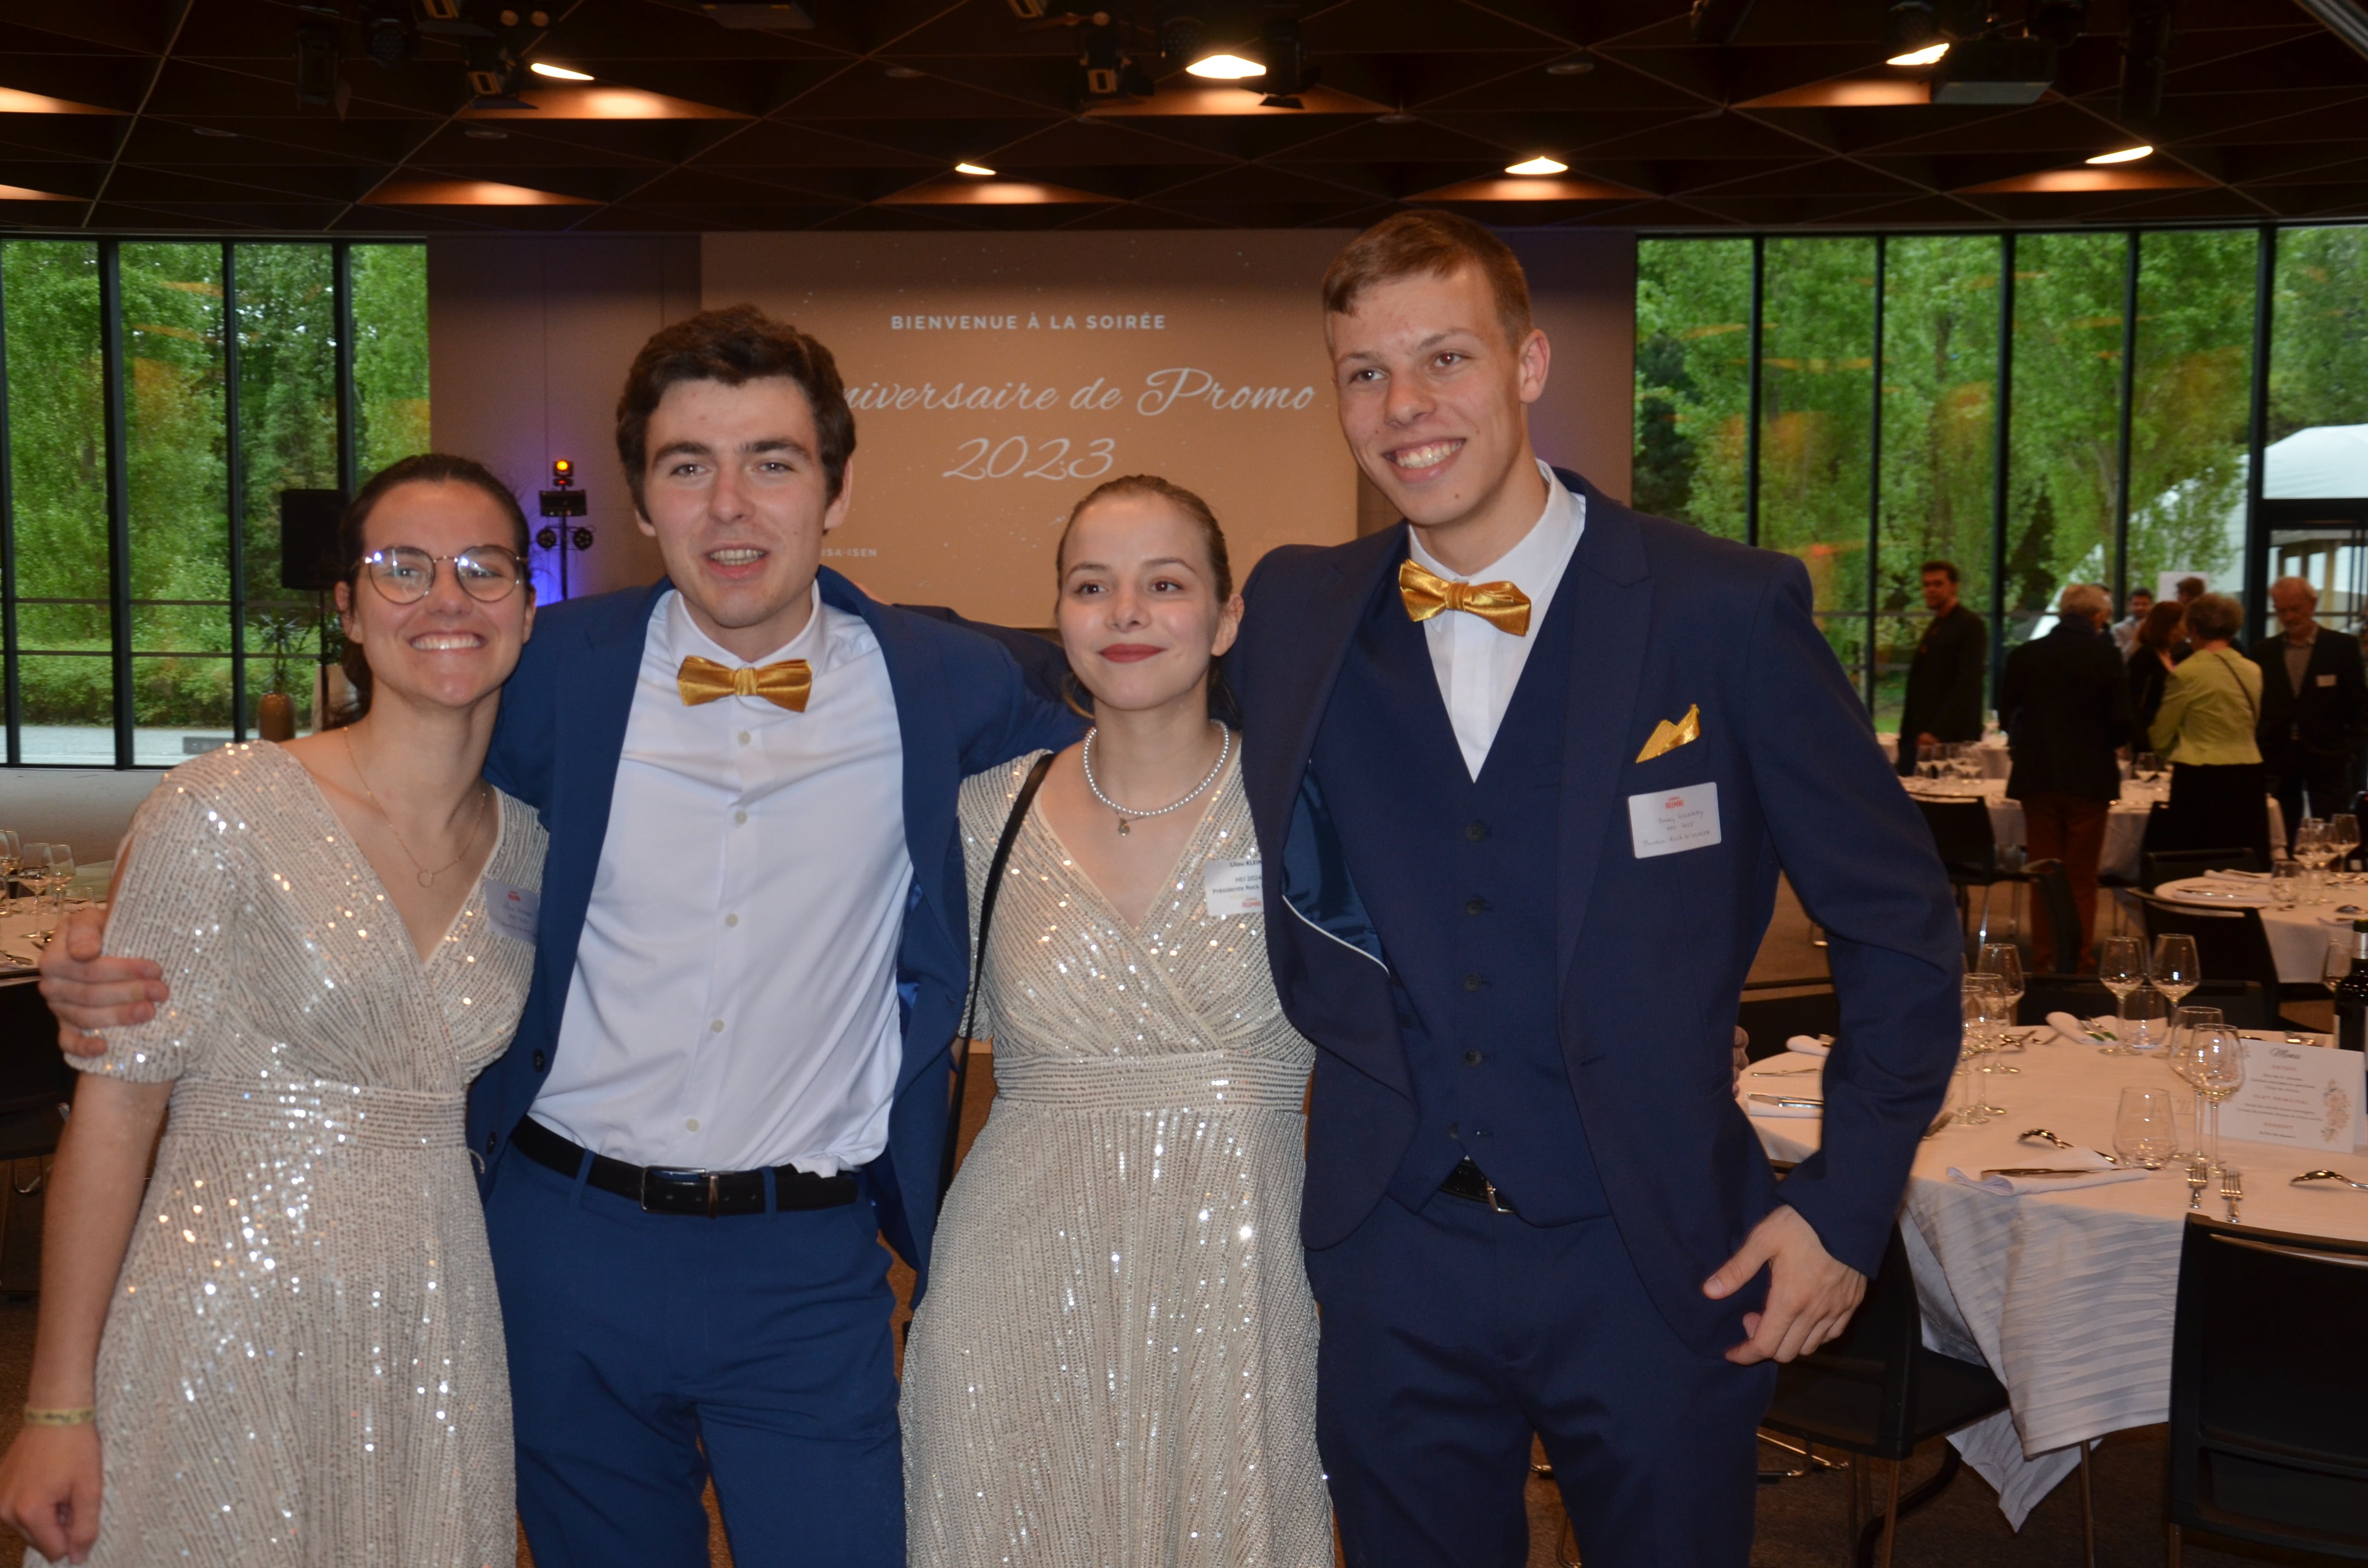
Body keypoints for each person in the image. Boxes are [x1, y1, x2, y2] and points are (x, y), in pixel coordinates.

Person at [39, 306, 1080, 1568]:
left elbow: (1142, 752)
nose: (730, 506)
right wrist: (120, 939)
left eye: (772, 462)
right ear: (641, 500)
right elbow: (371, 802)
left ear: (837, 490)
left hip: (804, 1263)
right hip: (558, 1245)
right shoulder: (543, 668)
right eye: (688, 466)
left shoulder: (947, 679)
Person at [1228, 211, 1962, 1566]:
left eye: (1444, 359)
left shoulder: (1720, 609)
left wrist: (1845, 1208)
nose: (1404, 407)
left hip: (1657, 1255)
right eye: (1365, 373)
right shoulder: (1296, 611)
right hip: (1392, 1257)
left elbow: (1901, 925)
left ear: (1527, 364)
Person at [0, 455, 548, 1565]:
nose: (446, 597)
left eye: (482, 568)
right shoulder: (224, 808)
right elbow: (114, 1115)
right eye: (403, 568)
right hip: (222, 1307)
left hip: (431, 1319)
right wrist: (57, 1405)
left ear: (527, 612)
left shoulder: (533, 848)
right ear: (347, 608)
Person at [903, 476, 1330, 1567]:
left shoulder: (1303, 807)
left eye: (1166, 584)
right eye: (1092, 586)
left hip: (1239, 1286)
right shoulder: (983, 811)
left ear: (1227, 619)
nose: (1127, 612)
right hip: (1014, 1284)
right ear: (1059, 615)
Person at [1997, 583, 2133, 972]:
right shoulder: (2106, 656)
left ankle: (2044, 959)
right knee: (2081, 877)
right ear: (2098, 617)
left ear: (2062, 612)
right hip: (2089, 780)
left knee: (2043, 873)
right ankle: (2078, 959)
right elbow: (2122, 723)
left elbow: (2006, 715)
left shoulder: (2027, 655)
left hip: (2038, 776)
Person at [2150, 591, 2269, 864]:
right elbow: (2253, 721)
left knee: (2197, 860)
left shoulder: (2187, 672)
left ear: (2194, 628)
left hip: (2199, 777)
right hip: (2248, 773)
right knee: (2240, 860)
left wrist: (2176, 748)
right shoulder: (2253, 670)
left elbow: (2161, 737)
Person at [2251, 574, 2368, 839]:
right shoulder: (2264, 652)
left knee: (2333, 830)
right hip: (2279, 756)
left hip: (2329, 755)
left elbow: (2360, 705)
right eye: (2282, 611)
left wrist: (2350, 750)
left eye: (2296, 609)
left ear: (2313, 604)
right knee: (2280, 830)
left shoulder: (2341, 647)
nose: (2289, 617)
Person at [1894, 559, 1987, 775]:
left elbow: (1968, 683)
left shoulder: (1969, 626)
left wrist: (1937, 731)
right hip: (1921, 732)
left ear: (1954, 587)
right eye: (1927, 585)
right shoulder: (1936, 627)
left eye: (1938, 584)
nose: (1931, 590)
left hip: (1946, 737)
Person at [2128, 599, 2185, 732]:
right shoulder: (2146, 654)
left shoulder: (2169, 653)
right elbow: (2134, 697)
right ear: (2172, 626)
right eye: (2183, 621)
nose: (2186, 627)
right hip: (2147, 728)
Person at [2111, 587, 2154, 657]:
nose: (2140, 608)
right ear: (2129, 606)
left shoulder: (2157, 627)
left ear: (2151, 605)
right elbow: (2121, 657)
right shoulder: (2118, 629)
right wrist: (2137, 636)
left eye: (2145, 604)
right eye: (2136, 604)